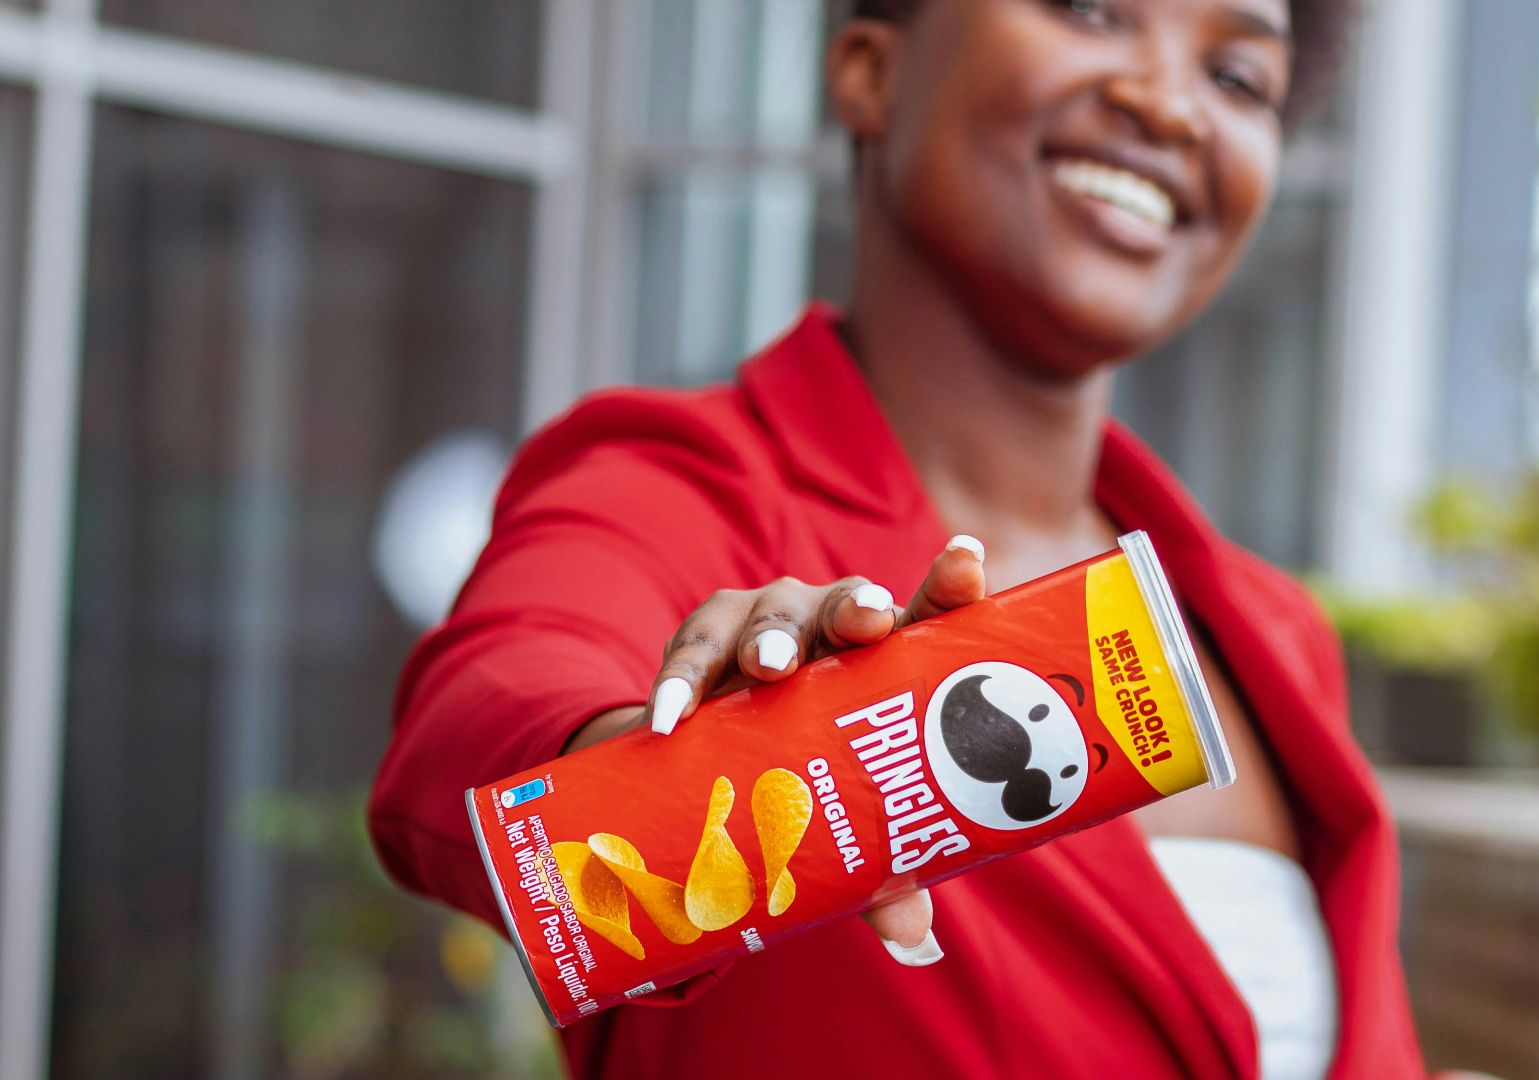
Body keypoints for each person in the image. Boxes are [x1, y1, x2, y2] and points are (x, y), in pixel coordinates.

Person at [371, 1, 1427, 1076]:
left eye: (1239, 78)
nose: (1171, 105)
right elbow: (489, 709)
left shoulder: (1270, 630)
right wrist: (671, 776)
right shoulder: (676, 488)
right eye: (1092, 10)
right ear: (871, 71)